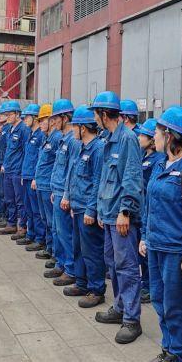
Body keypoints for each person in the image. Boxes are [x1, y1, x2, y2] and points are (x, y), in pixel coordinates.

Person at [141, 107, 182, 362]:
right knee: (159, 301)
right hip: (155, 245)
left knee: (176, 307)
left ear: (169, 135)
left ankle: (180, 355)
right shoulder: (160, 163)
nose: (154, 136)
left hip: (175, 251)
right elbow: (149, 203)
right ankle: (168, 348)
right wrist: (144, 235)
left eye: (158, 132)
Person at [91, 91, 144, 344]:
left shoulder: (127, 139)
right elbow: (106, 179)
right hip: (109, 214)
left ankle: (132, 320)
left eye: (96, 114)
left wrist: (125, 211)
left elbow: (132, 178)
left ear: (104, 114)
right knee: (112, 263)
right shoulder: (109, 139)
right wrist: (102, 211)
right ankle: (120, 307)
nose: (94, 119)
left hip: (122, 216)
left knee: (127, 267)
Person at [62, 105, 106, 308]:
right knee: (78, 248)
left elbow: (97, 182)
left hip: (87, 209)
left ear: (83, 128)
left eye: (75, 126)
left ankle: (96, 289)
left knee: (92, 251)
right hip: (78, 206)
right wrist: (72, 201)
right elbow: (75, 177)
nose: (72, 130)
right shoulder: (81, 147)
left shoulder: (98, 149)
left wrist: (91, 209)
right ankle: (81, 283)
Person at [46, 99, 77, 286]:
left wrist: (66, 195)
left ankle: (70, 269)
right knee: (58, 231)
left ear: (65, 118)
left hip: (64, 194)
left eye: (56, 118)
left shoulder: (73, 141)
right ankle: (61, 263)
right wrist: (54, 189)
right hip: (57, 191)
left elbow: (71, 171)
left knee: (66, 233)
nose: (53, 122)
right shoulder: (63, 139)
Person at [135, 118, 166, 305]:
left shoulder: (158, 160)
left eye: (143, 135)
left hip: (150, 208)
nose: (139, 138)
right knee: (142, 252)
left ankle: (148, 286)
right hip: (142, 209)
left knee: (147, 255)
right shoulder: (144, 156)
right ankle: (146, 283)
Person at [0, 101, 30, 237]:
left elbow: (26, 152)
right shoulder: (10, 129)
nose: (7, 117)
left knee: (20, 200)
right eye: (6, 115)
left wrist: (22, 171)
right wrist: (5, 164)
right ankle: (11, 224)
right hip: (9, 170)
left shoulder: (23, 130)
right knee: (9, 199)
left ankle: (22, 226)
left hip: (17, 171)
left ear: (17, 114)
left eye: (9, 114)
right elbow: (8, 150)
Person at [32, 103, 59, 263]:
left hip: (48, 186)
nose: (40, 123)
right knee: (45, 219)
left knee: (52, 222)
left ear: (52, 120)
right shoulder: (46, 137)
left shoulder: (56, 138)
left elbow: (57, 164)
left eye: (43, 120)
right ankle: (49, 247)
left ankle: (55, 252)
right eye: (40, 120)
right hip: (41, 184)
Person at [19, 103, 46, 249]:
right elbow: (27, 156)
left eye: (27, 117)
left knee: (36, 210)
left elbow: (40, 159)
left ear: (35, 118)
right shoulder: (30, 134)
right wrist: (24, 174)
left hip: (34, 178)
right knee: (28, 208)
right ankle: (31, 234)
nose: (24, 120)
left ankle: (40, 238)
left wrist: (36, 177)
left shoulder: (41, 135)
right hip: (26, 175)